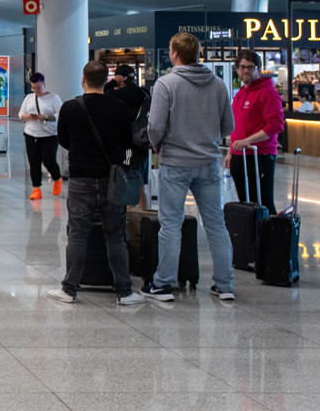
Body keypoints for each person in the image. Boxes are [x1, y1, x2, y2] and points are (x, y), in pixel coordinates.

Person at [142, 32, 236, 302]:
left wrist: (156, 144)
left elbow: (155, 125)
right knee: (216, 224)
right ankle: (224, 285)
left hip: (176, 162)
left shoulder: (166, 84)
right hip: (208, 162)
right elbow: (228, 126)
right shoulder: (217, 84)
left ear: (174, 53)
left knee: (170, 224)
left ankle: (162, 284)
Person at [46, 60, 144, 305]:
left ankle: (69, 289)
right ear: (106, 80)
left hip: (80, 177)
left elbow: (64, 140)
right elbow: (126, 142)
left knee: (78, 234)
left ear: (83, 79)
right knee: (115, 235)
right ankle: (124, 291)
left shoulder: (70, 108)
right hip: (112, 178)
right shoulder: (119, 108)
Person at [225, 49, 284, 215]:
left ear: (258, 69)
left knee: (263, 203)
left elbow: (276, 125)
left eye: (250, 67)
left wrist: (248, 141)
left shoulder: (268, 93)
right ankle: (249, 239)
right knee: (245, 205)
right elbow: (237, 125)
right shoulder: (240, 94)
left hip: (260, 156)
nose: (245, 71)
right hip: (239, 156)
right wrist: (230, 150)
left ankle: (268, 238)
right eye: (242, 67)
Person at [104, 64, 150, 208]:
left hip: (131, 142)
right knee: (142, 182)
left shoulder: (123, 94)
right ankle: (145, 215)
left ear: (121, 78)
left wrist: (113, 83)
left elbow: (105, 92)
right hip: (142, 140)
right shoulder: (144, 92)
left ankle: (131, 216)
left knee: (130, 179)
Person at [19, 72, 63, 200]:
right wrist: (27, 117)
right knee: (34, 162)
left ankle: (57, 178)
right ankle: (36, 188)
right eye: (33, 87)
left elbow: (60, 114)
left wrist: (47, 117)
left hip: (49, 135)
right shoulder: (28, 98)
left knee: (49, 160)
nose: (35, 90)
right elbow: (21, 113)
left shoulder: (54, 98)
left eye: (38, 87)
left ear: (44, 84)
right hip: (31, 133)